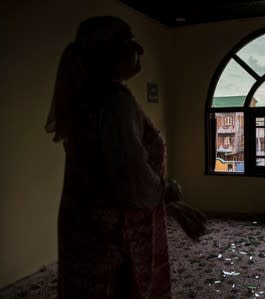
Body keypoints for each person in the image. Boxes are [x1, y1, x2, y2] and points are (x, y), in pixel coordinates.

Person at [45, 16, 207, 298]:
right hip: (113, 231)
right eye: (130, 41)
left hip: (84, 221)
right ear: (109, 52)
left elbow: (111, 169)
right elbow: (130, 176)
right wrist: (167, 191)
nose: (139, 49)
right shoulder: (114, 101)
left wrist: (167, 204)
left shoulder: (85, 97)